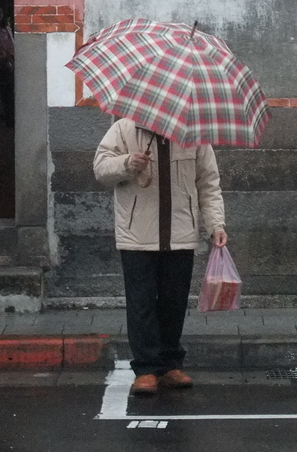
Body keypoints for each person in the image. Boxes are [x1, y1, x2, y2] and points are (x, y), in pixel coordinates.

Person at [93, 117, 227, 395]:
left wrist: (216, 225)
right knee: (141, 303)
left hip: (180, 235)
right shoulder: (123, 129)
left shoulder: (195, 134)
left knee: (174, 301)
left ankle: (169, 364)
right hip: (137, 236)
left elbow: (208, 183)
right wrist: (127, 163)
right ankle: (146, 369)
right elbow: (101, 169)